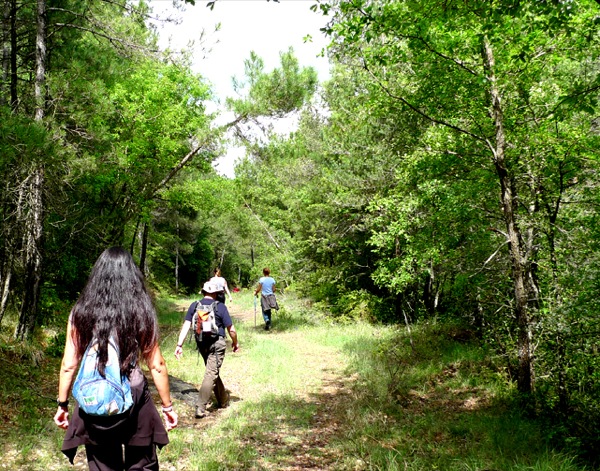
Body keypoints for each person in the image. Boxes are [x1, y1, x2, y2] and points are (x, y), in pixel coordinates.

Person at [53, 246, 177, 471]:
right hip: (135, 398)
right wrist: (167, 407)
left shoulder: (81, 311)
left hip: (95, 401)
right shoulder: (140, 309)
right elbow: (156, 365)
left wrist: (62, 405)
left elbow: (69, 364)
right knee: (142, 464)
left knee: (102, 465)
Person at [174, 281, 239, 418]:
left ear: (203, 292)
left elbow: (186, 326)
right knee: (211, 373)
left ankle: (223, 400)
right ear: (216, 293)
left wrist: (179, 345)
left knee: (212, 371)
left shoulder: (195, 305)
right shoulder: (220, 307)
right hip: (217, 344)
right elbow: (231, 329)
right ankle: (201, 407)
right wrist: (235, 343)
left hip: (202, 343)